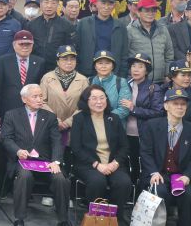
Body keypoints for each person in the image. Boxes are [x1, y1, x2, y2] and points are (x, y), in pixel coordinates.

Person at [2, 84, 73, 226]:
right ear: (24, 99)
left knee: (60, 179)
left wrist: (56, 161)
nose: (40, 99)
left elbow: (56, 141)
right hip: (22, 160)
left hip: (45, 161)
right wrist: (17, 150)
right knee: (24, 176)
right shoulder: (11, 115)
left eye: (41, 96)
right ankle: (19, 219)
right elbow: (6, 139)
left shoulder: (50, 117)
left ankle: (63, 221)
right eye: (35, 96)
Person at [139, 88, 191, 226]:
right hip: (158, 173)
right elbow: (145, 152)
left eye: (183, 104)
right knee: (160, 190)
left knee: (188, 194)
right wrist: (153, 172)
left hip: (180, 175)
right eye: (175, 103)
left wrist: (188, 175)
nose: (180, 107)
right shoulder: (151, 126)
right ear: (166, 106)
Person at [70, 84, 132, 216]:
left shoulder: (114, 118)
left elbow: (124, 146)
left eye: (102, 98)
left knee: (124, 183)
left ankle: (113, 217)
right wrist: (97, 165)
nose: (99, 102)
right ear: (86, 101)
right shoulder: (79, 119)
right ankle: (95, 217)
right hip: (89, 164)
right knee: (97, 181)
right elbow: (76, 148)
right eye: (94, 98)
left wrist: (115, 163)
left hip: (113, 164)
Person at [124, 53, 165, 183]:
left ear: (146, 71)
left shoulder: (154, 88)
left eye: (140, 66)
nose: (136, 69)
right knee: (126, 165)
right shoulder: (124, 84)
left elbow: (158, 112)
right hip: (124, 132)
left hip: (142, 133)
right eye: (133, 66)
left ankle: (140, 191)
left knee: (141, 165)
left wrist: (134, 109)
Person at [0, 30, 45, 130]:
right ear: (14, 45)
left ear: (32, 45)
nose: (25, 47)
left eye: (28, 44)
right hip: (7, 111)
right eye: (21, 44)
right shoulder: (2, 61)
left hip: (32, 111)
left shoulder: (40, 62)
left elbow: (41, 88)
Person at [39, 45, 89, 146]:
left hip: (74, 126)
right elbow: (41, 101)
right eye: (65, 59)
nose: (69, 62)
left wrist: (68, 122)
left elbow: (85, 104)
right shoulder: (47, 78)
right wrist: (56, 120)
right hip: (51, 125)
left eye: (72, 59)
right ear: (57, 61)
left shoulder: (83, 80)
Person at [75, 0, 129, 78]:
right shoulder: (84, 23)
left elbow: (124, 53)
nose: (106, 7)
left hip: (112, 74)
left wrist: (122, 76)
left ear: (114, 5)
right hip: (87, 73)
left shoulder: (120, 26)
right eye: (103, 3)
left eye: (110, 4)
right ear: (96, 4)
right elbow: (76, 49)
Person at [127, 0, 175, 83]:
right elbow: (125, 56)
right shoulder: (130, 30)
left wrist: (168, 74)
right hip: (138, 81)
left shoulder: (163, 29)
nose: (150, 14)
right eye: (147, 10)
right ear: (138, 12)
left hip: (160, 82)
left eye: (153, 11)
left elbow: (169, 54)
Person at [27, 0, 74, 73]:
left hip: (57, 68)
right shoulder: (31, 24)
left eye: (53, 3)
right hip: (34, 67)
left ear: (58, 5)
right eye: (46, 2)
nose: (49, 6)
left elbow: (70, 48)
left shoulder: (66, 25)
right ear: (40, 4)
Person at [89, 51, 132, 126]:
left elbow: (124, 109)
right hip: (92, 125)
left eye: (107, 63)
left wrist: (104, 118)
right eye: (100, 63)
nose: (104, 66)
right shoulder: (89, 81)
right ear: (95, 66)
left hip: (114, 125)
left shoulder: (121, 82)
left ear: (112, 66)